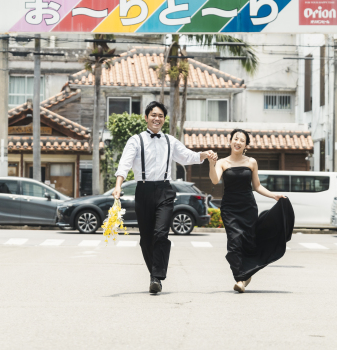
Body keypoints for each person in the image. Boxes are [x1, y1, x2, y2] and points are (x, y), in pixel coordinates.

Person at [114, 101, 218, 294]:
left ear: (164, 119)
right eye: (153, 115)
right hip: (143, 191)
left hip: (164, 190)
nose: (157, 118)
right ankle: (154, 275)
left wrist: (205, 154)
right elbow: (125, 164)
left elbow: (188, 157)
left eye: (160, 116)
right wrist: (118, 186)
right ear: (146, 118)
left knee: (161, 234)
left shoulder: (170, 140)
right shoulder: (135, 141)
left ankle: (156, 277)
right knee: (146, 239)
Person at [209, 128, 295, 293]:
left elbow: (257, 186)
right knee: (234, 243)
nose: (238, 142)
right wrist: (211, 163)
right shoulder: (222, 162)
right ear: (230, 141)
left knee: (248, 243)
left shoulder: (251, 162)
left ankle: (244, 277)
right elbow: (214, 179)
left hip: (248, 207)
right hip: (230, 208)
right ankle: (241, 277)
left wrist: (274, 196)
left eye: (242, 140)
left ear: (246, 145)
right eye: (235, 139)